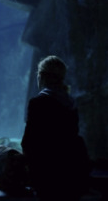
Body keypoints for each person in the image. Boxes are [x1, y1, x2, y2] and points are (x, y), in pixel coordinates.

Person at [21, 55, 91, 201]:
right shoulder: (71, 104)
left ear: (41, 77)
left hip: (47, 178)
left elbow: (29, 143)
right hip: (72, 175)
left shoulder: (38, 103)